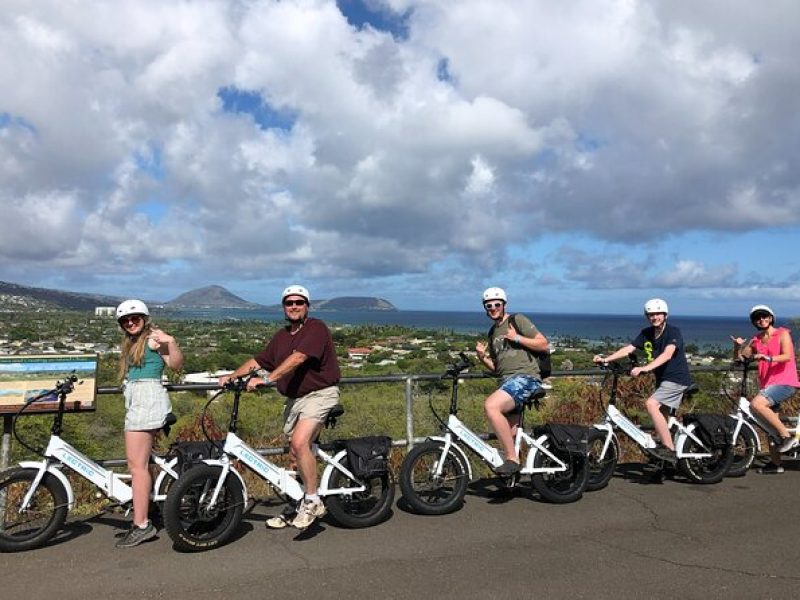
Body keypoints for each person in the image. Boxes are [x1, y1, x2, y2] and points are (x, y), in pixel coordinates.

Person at [219, 285, 341, 529]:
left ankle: (313, 500)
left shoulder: (316, 328)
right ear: (283, 307)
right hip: (295, 400)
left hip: (320, 394)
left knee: (299, 443)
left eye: (299, 302)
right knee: (294, 456)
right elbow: (258, 360)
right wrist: (232, 376)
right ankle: (298, 502)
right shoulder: (282, 336)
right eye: (289, 303)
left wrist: (267, 379)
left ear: (307, 306)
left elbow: (298, 358)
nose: (294, 306)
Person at [115, 299, 183, 548]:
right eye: (126, 321)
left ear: (144, 318)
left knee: (137, 466)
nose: (131, 323)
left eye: (135, 319)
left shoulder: (153, 338)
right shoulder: (132, 342)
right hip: (139, 400)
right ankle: (149, 507)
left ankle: (141, 524)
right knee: (145, 462)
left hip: (147, 401)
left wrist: (170, 342)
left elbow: (175, 365)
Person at [593, 298, 692, 463]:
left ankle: (669, 452)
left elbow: (667, 354)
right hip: (663, 380)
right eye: (651, 315)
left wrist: (646, 368)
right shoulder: (647, 333)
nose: (655, 317)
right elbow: (629, 348)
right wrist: (606, 359)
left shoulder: (673, 332)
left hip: (676, 379)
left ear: (665, 315)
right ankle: (662, 462)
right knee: (662, 420)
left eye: (658, 314)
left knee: (651, 404)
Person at [475, 287, 549, 475]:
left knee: (491, 406)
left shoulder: (517, 320)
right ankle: (514, 477)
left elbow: (543, 344)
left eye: (496, 304)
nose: (492, 308)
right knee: (511, 433)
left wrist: (516, 337)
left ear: (504, 305)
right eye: (488, 305)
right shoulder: (492, 332)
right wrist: (483, 358)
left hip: (525, 378)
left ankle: (512, 459)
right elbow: (498, 368)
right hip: (508, 382)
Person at [731, 304, 800, 474]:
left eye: (764, 316)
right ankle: (776, 464)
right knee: (769, 425)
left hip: (785, 382)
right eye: (757, 318)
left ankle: (786, 437)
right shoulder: (756, 339)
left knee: (757, 405)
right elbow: (741, 358)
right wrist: (737, 346)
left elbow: (787, 356)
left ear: (771, 318)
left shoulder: (782, 334)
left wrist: (766, 357)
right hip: (768, 385)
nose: (761, 320)